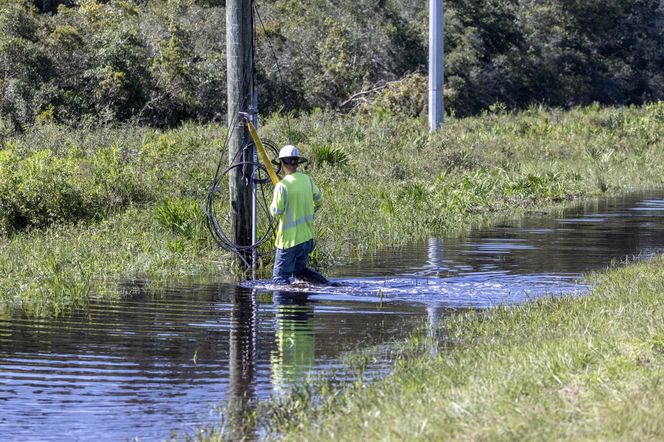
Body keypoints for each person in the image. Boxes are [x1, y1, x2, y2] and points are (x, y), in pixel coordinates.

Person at [270, 145, 329, 285]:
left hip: (289, 241)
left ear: (281, 163)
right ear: (297, 163)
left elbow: (276, 212)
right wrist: (308, 210)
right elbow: (319, 201)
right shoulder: (306, 180)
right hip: (307, 239)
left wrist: (274, 201)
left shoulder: (282, 186)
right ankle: (327, 285)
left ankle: (284, 306)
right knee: (299, 272)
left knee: (279, 279)